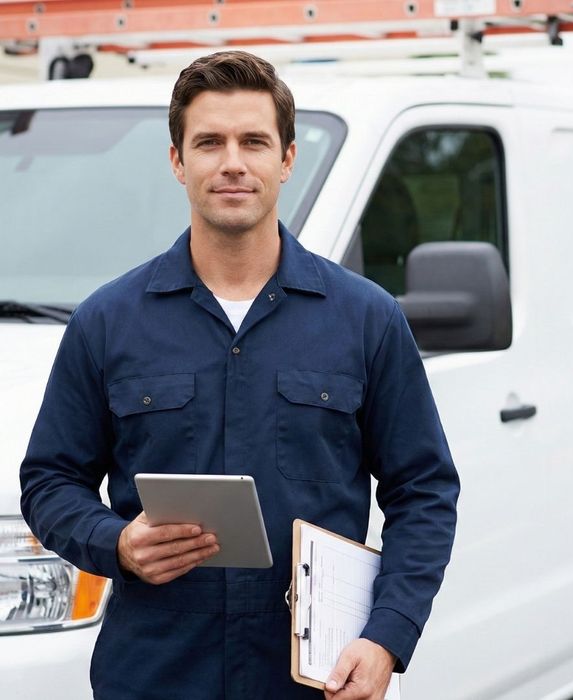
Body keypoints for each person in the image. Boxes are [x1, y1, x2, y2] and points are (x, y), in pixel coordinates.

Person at [20, 50, 459, 700]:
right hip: (155, 676)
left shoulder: (367, 320)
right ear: (178, 161)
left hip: (311, 680)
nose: (232, 162)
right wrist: (115, 542)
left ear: (285, 160)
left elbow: (422, 490)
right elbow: (49, 480)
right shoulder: (108, 322)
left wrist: (388, 633)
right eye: (209, 143)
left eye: (254, 141)